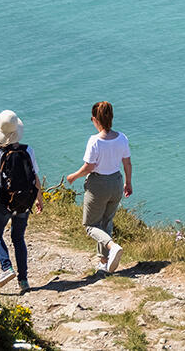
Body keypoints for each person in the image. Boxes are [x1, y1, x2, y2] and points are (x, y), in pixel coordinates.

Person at [64, 101, 132, 274]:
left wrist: (73, 176)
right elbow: (127, 163)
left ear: (95, 119)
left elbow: (89, 167)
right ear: (112, 117)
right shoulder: (122, 137)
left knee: (90, 225)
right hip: (116, 181)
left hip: (98, 185)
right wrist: (128, 182)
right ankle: (104, 262)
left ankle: (112, 246)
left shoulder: (95, 141)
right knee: (106, 222)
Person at [0, 110, 43, 292]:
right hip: (24, 200)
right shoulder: (27, 150)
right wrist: (38, 198)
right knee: (18, 238)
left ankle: (6, 268)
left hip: (3, 202)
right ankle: (23, 281)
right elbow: (35, 177)